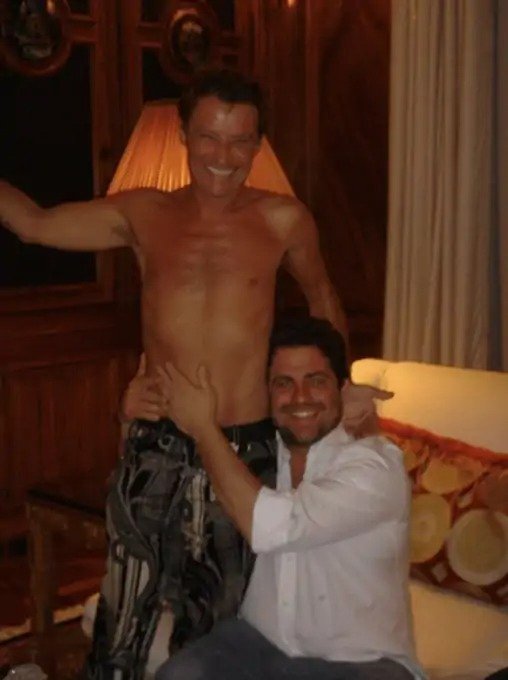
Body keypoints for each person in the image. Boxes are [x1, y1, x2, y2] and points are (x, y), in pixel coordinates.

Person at [0, 69, 390, 678]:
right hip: (156, 445)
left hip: (243, 450)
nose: (223, 157)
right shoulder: (143, 213)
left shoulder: (284, 219)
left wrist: (337, 389)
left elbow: (322, 301)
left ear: (258, 144)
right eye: (209, 136)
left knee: (218, 627)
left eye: (240, 141)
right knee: (123, 617)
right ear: (184, 134)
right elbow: (35, 224)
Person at [151, 316, 424, 680]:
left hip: (364, 664)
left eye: (316, 381)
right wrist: (129, 411)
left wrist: (203, 429)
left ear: (342, 389)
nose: (300, 397)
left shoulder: (375, 468)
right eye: (284, 383)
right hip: (259, 646)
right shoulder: (258, 457)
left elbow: (274, 525)